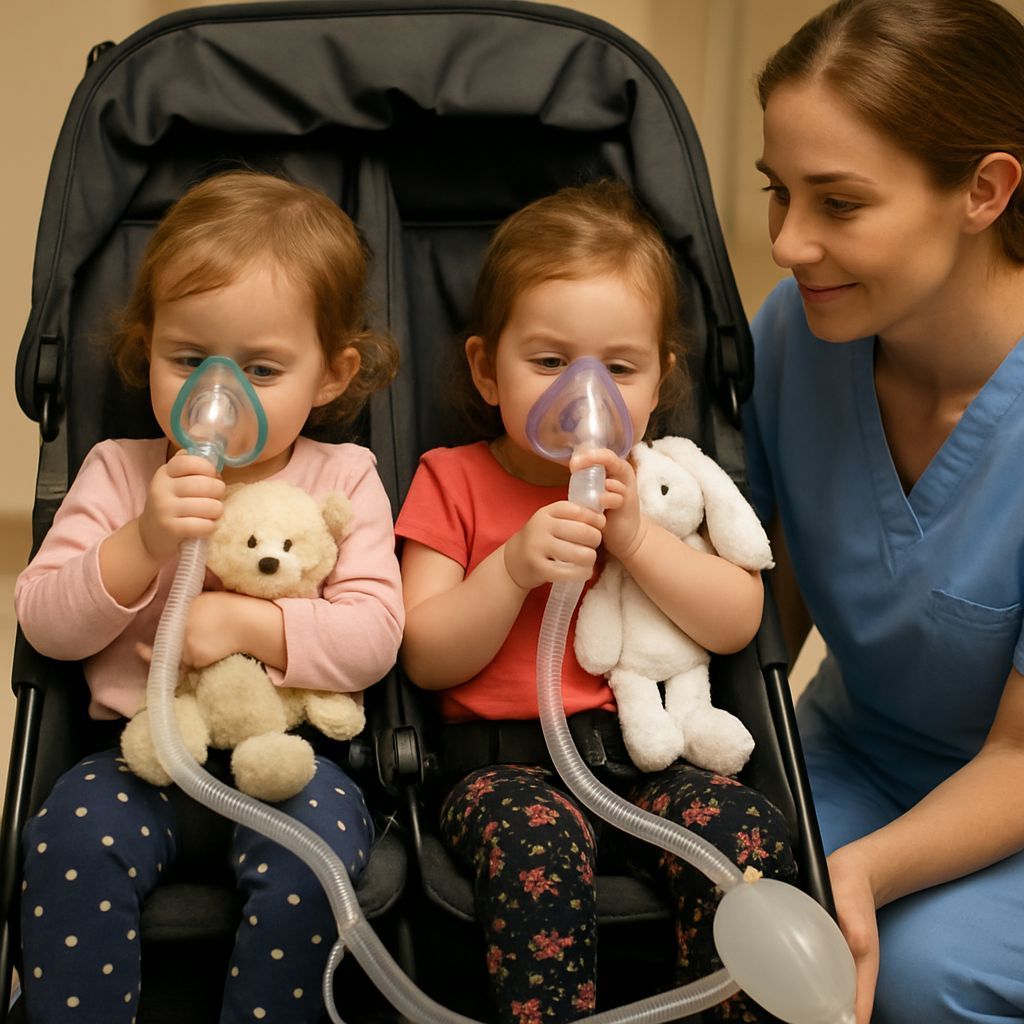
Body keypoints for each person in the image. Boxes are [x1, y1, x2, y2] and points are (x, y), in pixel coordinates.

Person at [396, 179, 795, 1024]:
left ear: (659, 380)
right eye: (548, 363)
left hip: (647, 763)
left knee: (747, 836)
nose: (587, 394)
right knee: (534, 848)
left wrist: (638, 542)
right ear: (484, 368)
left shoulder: (663, 482)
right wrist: (508, 570)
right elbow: (425, 653)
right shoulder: (452, 480)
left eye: (619, 367)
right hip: (501, 772)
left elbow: (738, 621)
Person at [13, 170, 404, 1024]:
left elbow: (375, 635)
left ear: (332, 375)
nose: (215, 396)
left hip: (294, 764)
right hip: (136, 755)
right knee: (65, 843)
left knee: (319, 864)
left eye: (262, 368)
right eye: (188, 360)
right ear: (147, 347)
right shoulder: (122, 471)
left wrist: (247, 622)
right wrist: (140, 544)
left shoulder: (345, 478)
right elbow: (43, 621)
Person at [744, 1, 1024, 1021]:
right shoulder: (795, 337)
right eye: (778, 193)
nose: (787, 244)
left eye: (839, 203)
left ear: (984, 191)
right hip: (853, 755)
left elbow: (1019, 756)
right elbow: (760, 606)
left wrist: (858, 872)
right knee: (712, 886)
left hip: (1013, 786)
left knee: (921, 971)